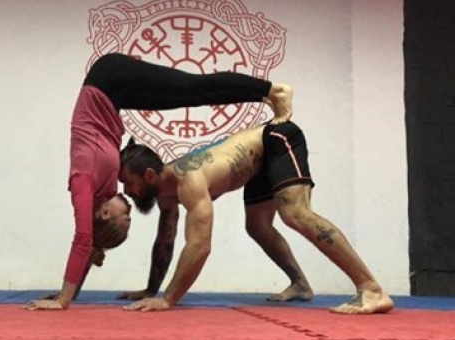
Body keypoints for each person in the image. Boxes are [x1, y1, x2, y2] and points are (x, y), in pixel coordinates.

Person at [24, 53, 295, 311]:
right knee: (191, 95)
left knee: (191, 88)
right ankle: (264, 94)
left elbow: (82, 237)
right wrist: (75, 290)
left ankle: (274, 91)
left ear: (105, 214)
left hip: (106, 77)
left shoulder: (82, 182)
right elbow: (91, 241)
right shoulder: (104, 194)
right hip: (114, 94)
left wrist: (63, 299)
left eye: (125, 215)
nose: (129, 203)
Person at [118, 121, 395, 314]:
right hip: (257, 166)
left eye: (129, 183)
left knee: (295, 213)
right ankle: (300, 284)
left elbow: (199, 245)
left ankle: (370, 288)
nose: (126, 191)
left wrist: (168, 300)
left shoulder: (188, 180)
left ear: (149, 176)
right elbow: (165, 241)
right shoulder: (166, 195)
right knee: (258, 226)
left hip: (275, 139)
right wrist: (151, 291)